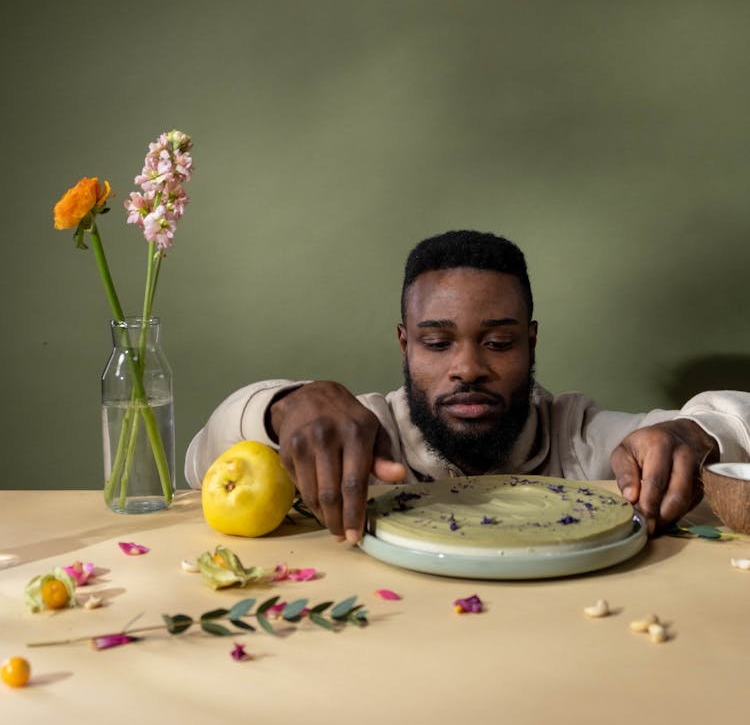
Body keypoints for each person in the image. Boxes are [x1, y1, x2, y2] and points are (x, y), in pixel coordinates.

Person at [185, 230, 750, 540]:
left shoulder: (583, 439)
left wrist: (701, 432)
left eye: (499, 342)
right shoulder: (362, 435)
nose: (468, 368)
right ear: (404, 344)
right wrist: (282, 408)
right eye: (437, 343)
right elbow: (197, 463)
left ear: (531, 343)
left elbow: (719, 426)